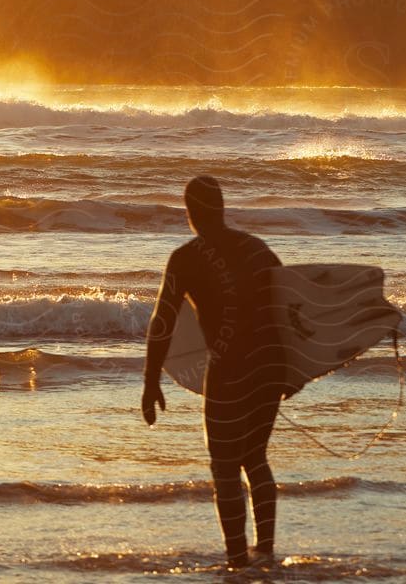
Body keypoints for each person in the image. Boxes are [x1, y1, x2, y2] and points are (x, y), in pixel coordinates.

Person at [142, 175, 287, 571]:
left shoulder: (186, 258)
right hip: (267, 369)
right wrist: (291, 370)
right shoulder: (256, 249)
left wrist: (150, 380)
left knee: (224, 467)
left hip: (227, 372)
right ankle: (267, 551)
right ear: (222, 208)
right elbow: (290, 306)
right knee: (256, 457)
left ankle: (237, 559)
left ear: (189, 213)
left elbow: (162, 322)